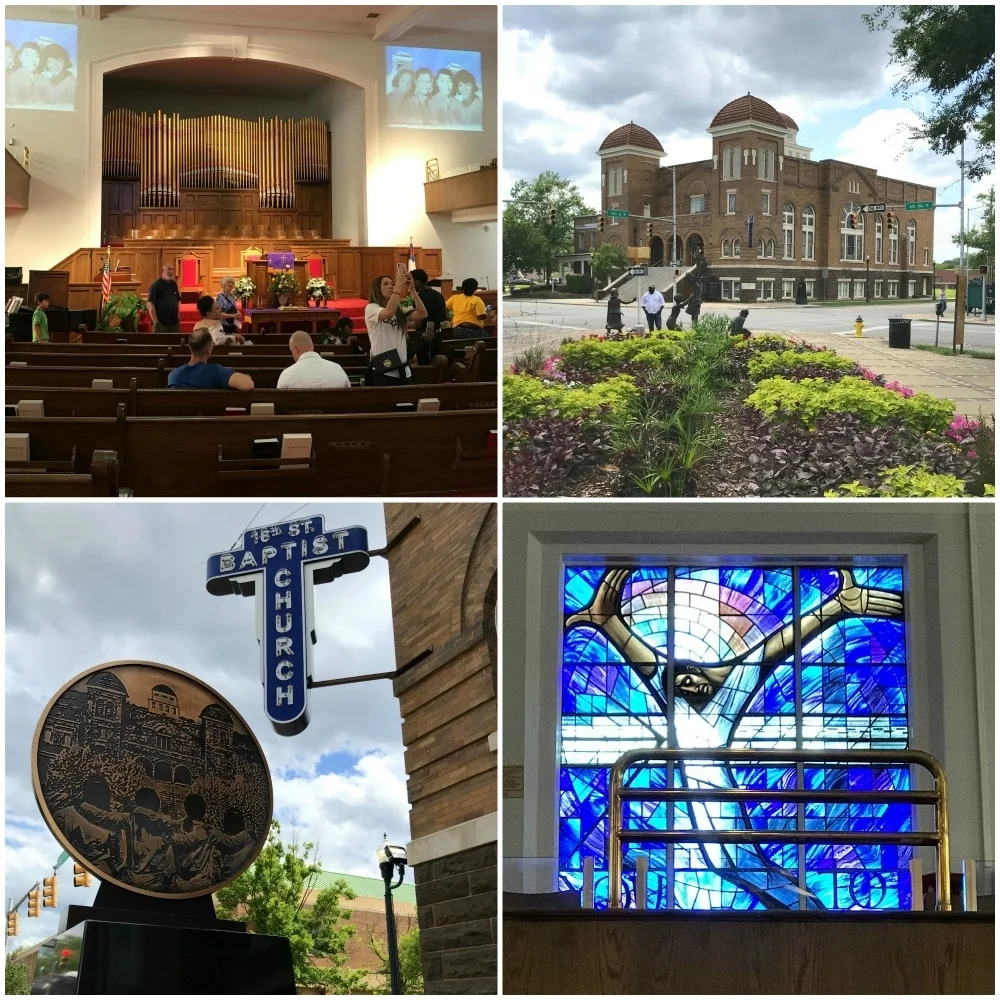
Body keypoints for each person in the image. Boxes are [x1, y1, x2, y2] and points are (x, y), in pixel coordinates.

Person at [365, 272, 427, 386]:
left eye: (392, 283)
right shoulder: (371, 308)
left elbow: (422, 314)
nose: (391, 286)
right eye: (385, 284)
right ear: (377, 289)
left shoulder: (400, 310)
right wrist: (398, 285)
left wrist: (412, 290)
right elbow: (388, 313)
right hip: (384, 370)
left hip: (403, 370)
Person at [167, 329, 254, 389]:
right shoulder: (215, 372)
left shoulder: (173, 375)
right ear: (209, 350)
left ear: (190, 348)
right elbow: (247, 385)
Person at [276, 330, 351, 389]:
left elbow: (279, 401)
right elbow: (349, 395)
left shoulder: (287, 374)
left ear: (295, 350)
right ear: (312, 346)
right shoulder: (337, 369)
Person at [409, 268, 448, 364]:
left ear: (417, 282)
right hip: (438, 336)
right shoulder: (438, 295)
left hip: (425, 337)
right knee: (438, 365)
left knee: (425, 366)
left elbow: (419, 323)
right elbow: (445, 315)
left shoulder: (418, 298)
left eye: (411, 281)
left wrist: (406, 324)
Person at [147, 264, 181, 333]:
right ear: (163, 271)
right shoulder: (156, 285)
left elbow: (177, 302)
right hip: (161, 324)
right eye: (169, 269)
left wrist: (178, 318)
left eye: (173, 269)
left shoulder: (174, 284)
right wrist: (156, 322)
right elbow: (150, 304)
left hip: (174, 323)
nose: (171, 271)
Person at [7, 42, 42, 106]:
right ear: (20, 57)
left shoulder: (45, 79)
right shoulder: (12, 78)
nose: (32, 60)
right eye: (27, 55)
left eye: (36, 56)